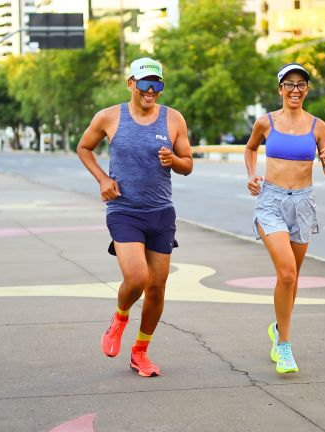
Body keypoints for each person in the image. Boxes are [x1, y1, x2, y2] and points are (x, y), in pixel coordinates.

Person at [77, 57, 193, 377]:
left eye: (157, 84)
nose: (151, 90)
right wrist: (102, 179)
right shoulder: (110, 117)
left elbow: (188, 165)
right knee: (137, 278)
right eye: (145, 84)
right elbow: (84, 148)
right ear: (131, 84)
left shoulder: (173, 119)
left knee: (157, 288)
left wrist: (174, 160)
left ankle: (140, 351)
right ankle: (120, 317)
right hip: (124, 210)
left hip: (161, 212)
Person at [244, 63, 325, 374]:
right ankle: (284, 345)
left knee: (292, 277)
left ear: (307, 90)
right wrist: (251, 176)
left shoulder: (318, 126)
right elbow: (250, 148)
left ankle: (277, 328)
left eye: (301, 84)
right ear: (280, 89)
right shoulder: (265, 123)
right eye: (289, 84)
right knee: (286, 274)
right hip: (270, 202)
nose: (295, 90)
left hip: (303, 203)